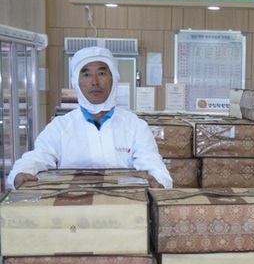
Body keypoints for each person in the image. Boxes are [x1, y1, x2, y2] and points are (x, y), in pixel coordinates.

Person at [7, 46, 172, 189]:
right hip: (72, 210)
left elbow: (153, 165)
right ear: (76, 82)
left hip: (123, 210)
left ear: (114, 79)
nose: (94, 81)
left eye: (101, 73)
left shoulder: (135, 126)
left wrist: (160, 182)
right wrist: (20, 174)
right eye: (86, 74)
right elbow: (38, 156)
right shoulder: (60, 127)